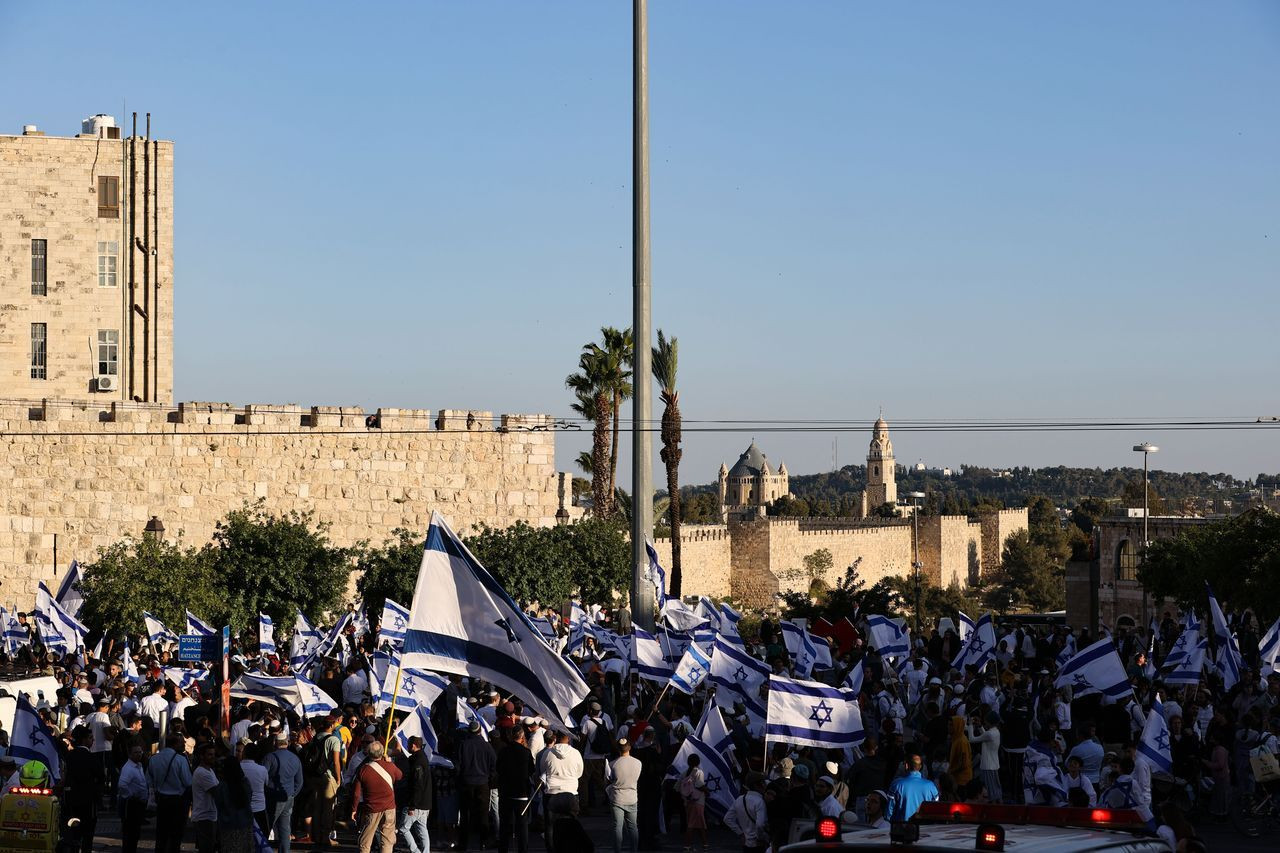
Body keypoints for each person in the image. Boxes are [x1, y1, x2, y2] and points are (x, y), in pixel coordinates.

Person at [352, 740, 403, 853]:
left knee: (365, 841)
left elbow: (356, 793)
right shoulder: (390, 766)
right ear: (382, 753)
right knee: (387, 841)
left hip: (372, 808)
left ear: (369, 753)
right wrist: (389, 762)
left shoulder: (363, 770)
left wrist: (354, 809)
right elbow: (400, 776)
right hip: (389, 808)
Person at [538, 729, 583, 851]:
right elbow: (579, 773)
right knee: (572, 824)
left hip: (552, 792)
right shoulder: (576, 753)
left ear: (556, 737)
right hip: (571, 792)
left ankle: (552, 849)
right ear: (568, 738)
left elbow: (543, 771)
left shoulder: (547, 753)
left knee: (550, 826)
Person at [147, 733, 193, 853]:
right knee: (176, 834)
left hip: (161, 799)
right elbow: (188, 782)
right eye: (182, 742)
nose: (184, 744)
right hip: (178, 801)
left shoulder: (153, 759)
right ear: (175, 743)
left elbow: (148, 780)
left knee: (161, 832)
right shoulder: (180, 759)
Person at [63, 726, 105, 853]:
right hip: (89, 802)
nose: (93, 741)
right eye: (91, 738)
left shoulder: (69, 757)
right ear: (84, 740)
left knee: (74, 831)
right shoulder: (92, 758)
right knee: (88, 833)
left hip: (72, 800)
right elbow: (101, 778)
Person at [457, 719, 497, 850]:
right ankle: (483, 842)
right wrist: (489, 779)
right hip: (482, 784)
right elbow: (493, 765)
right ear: (480, 731)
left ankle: (463, 844)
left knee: (465, 814)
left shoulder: (463, 745)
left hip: (467, 783)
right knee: (483, 814)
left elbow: (459, 765)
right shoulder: (486, 746)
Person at [496, 726, 536, 853]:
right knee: (522, 825)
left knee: (505, 824)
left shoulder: (503, 751)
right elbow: (532, 770)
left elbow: (498, 769)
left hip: (506, 792)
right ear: (522, 736)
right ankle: (523, 850)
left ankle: (503, 850)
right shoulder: (526, 752)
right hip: (521, 792)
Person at [262, 731, 304, 853]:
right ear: (287, 742)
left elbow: (262, 777)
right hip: (288, 797)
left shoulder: (270, 757)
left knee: (267, 827)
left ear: (275, 743)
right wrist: (292, 794)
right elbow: (299, 781)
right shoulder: (295, 758)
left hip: (272, 797)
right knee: (285, 828)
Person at [305, 715, 343, 849]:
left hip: (314, 775)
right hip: (327, 776)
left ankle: (316, 836)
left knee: (317, 807)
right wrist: (338, 778)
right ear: (332, 725)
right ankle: (325, 837)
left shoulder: (316, 737)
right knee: (328, 808)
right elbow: (336, 761)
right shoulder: (334, 739)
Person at [605, 738, 641, 853]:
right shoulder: (638, 763)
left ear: (618, 749)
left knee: (617, 827)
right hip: (632, 797)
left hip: (617, 798)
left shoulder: (612, 764)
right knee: (633, 827)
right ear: (629, 747)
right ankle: (634, 850)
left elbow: (608, 780)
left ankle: (617, 850)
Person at [398, 735, 432, 853]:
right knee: (422, 830)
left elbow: (417, 784)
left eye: (408, 744)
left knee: (403, 829)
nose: (406, 747)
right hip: (425, 803)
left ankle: (416, 851)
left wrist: (412, 805)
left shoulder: (417, 762)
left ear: (413, 746)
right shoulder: (423, 759)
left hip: (416, 804)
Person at [724, 772, 769, 853]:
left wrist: (741, 833)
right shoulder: (759, 801)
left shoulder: (739, 799)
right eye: (763, 782)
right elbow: (760, 825)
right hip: (759, 844)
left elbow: (727, 819)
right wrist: (761, 838)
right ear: (757, 785)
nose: (765, 785)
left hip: (746, 843)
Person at [887, 753, 939, 822]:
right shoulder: (931, 785)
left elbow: (889, 811)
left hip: (901, 828)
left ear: (906, 766)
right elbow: (935, 809)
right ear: (920, 767)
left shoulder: (896, 784)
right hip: (925, 829)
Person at [117, 743, 150, 853]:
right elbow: (122, 785)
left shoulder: (138, 765)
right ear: (130, 754)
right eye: (136, 752)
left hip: (138, 804)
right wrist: (131, 795)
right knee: (130, 834)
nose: (139, 754)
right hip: (131, 805)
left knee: (135, 834)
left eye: (140, 752)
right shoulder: (129, 768)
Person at [191, 742, 221, 853]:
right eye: (209, 754)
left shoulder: (210, 771)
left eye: (213, 754)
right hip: (204, 817)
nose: (213, 757)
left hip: (210, 815)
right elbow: (217, 792)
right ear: (202, 756)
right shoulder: (203, 773)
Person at [237, 737, 270, 834]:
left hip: (242, 808)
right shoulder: (262, 770)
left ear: (244, 753)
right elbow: (266, 784)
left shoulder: (237, 768)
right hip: (259, 808)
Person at [679, 752, 708, 851]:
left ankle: (704, 844)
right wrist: (707, 791)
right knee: (693, 824)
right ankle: (687, 845)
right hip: (698, 802)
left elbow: (678, 787)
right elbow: (700, 785)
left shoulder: (684, 773)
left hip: (688, 802)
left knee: (699, 824)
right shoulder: (699, 772)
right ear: (698, 762)